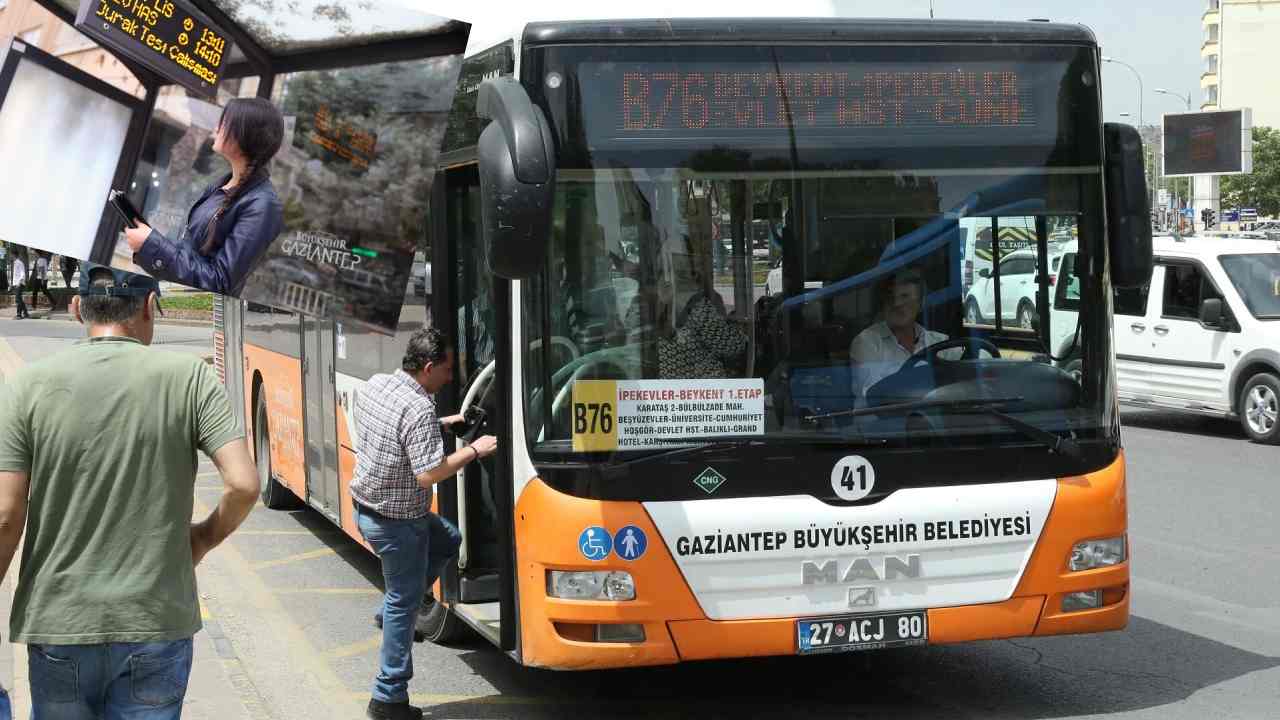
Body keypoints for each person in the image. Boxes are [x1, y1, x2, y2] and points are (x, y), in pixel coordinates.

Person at [0, 263, 260, 719]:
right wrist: (201, 539)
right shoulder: (190, 378)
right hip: (154, 621)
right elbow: (243, 484)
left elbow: (6, 517)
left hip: (59, 622)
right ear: (148, 306)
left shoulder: (26, 386)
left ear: (77, 308)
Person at [349, 327, 497, 720]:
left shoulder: (380, 385)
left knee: (448, 538)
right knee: (404, 601)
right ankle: (387, 698)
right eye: (447, 370)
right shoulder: (417, 410)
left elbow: (400, 428)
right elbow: (428, 474)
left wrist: (445, 423)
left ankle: (391, 613)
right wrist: (474, 449)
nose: (450, 378)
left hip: (366, 508)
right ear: (428, 367)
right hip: (397, 523)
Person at [124, 97, 286, 296]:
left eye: (224, 122)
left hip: (198, 311)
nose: (216, 128)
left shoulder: (263, 205)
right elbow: (190, 253)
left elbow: (219, 283)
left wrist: (152, 245)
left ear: (245, 133)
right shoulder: (222, 185)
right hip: (177, 300)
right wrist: (149, 243)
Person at [849, 269, 950, 400]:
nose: (897, 304)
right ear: (883, 304)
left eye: (905, 297)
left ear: (920, 304)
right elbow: (877, 396)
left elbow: (967, 377)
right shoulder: (867, 342)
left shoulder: (940, 341)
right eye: (891, 298)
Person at [11, 251, 28, 319]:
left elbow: (22, 273)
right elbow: (16, 275)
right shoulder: (15, 263)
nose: (10, 256)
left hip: (19, 283)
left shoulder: (19, 263)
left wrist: (19, 283)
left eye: (11, 255)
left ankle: (19, 315)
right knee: (19, 299)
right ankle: (25, 313)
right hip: (16, 283)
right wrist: (13, 284)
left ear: (14, 255)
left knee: (18, 299)